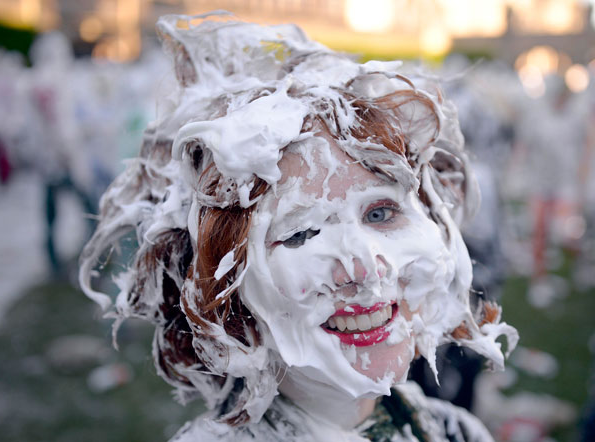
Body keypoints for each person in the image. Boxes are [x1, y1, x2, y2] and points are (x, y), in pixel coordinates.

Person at [79, 12, 517, 441]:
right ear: (227, 295)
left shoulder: (457, 432)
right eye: (300, 233)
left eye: (380, 213)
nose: (365, 267)